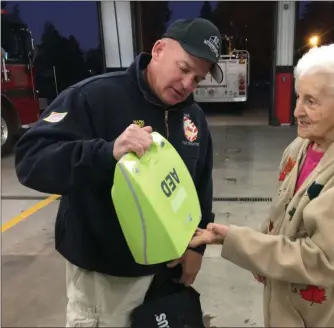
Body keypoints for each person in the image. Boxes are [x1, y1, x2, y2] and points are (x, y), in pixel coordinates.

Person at [15, 18, 222, 327]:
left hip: (165, 277)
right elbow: (31, 160)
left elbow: (200, 184)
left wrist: (198, 248)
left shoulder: (193, 117)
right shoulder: (93, 97)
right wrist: (107, 152)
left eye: (197, 79)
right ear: (159, 50)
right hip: (105, 280)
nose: (187, 85)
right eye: (184, 69)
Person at [189, 42, 334, 327]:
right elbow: (282, 213)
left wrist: (235, 240)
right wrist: (261, 251)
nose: (296, 111)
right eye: (298, 98)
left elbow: (323, 259)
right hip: (291, 305)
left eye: (311, 101)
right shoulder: (302, 146)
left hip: (333, 315)